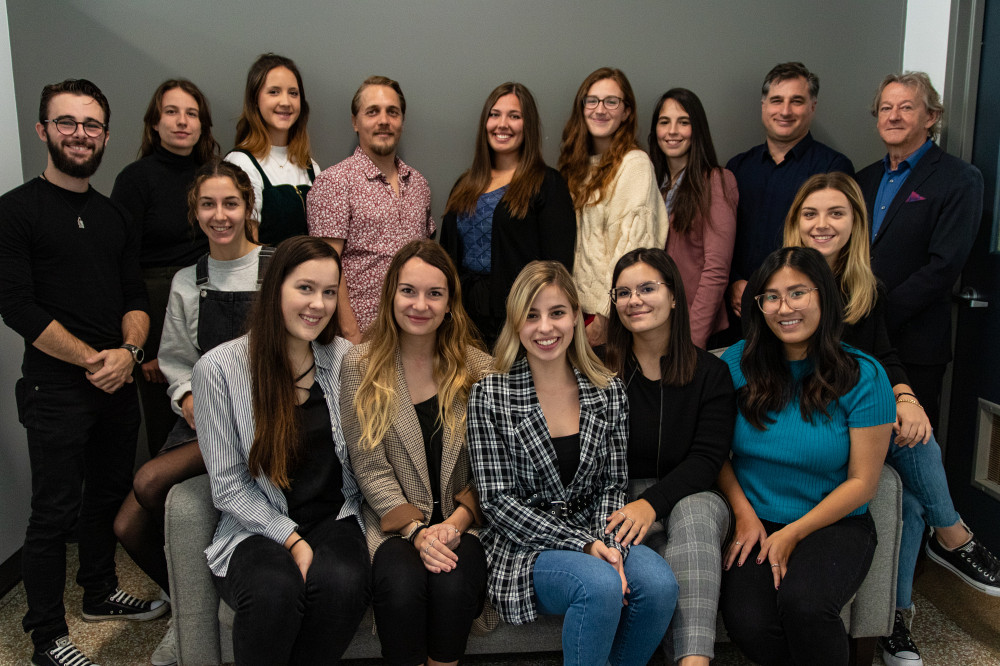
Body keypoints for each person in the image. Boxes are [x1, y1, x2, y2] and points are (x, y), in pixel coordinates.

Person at [783, 172, 1000, 666]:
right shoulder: (782, 279)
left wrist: (904, 396)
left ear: (855, 222)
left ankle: (895, 623)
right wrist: (888, 398)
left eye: (836, 213)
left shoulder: (864, 287)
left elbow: (881, 354)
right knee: (916, 447)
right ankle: (955, 540)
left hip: (857, 409)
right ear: (795, 223)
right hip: (807, 411)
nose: (822, 224)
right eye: (810, 214)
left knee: (908, 502)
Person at [0, 79, 165, 666]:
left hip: (116, 381)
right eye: (66, 122)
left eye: (91, 125)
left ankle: (98, 594)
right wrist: (93, 360)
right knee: (54, 511)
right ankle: (46, 635)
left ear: (106, 135)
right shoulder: (16, 210)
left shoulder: (113, 214)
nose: (79, 134)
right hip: (56, 387)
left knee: (107, 495)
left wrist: (128, 353)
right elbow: (15, 304)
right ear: (43, 129)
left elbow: (134, 296)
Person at [468, 260, 678, 665]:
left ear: (577, 319)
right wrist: (583, 545)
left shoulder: (607, 390)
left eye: (557, 313)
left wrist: (610, 546)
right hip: (524, 545)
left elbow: (614, 486)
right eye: (531, 316)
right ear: (515, 324)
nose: (545, 328)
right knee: (599, 585)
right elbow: (497, 503)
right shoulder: (491, 394)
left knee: (659, 585)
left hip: (598, 528)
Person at [113, 159, 269, 666]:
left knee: (151, 482)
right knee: (128, 526)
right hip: (200, 420)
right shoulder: (187, 280)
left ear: (248, 206)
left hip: (255, 423)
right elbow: (178, 362)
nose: (220, 215)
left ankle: (195, 620)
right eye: (208, 204)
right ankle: (189, 611)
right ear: (194, 212)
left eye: (230, 203)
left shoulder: (275, 267)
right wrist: (186, 399)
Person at [193, 236, 369, 665]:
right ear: (275, 289)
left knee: (343, 584)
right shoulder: (217, 369)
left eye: (329, 292)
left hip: (334, 516)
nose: (318, 304)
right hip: (256, 525)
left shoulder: (343, 357)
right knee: (274, 590)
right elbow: (229, 487)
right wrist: (292, 541)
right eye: (305, 288)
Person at [718, 246, 894, 665]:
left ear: (824, 297)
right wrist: (744, 514)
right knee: (748, 622)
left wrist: (794, 532)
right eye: (772, 297)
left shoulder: (864, 375)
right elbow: (714, 455)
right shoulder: (735, 364)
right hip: (756, 519)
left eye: (798, 293)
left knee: (806, 605)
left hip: (834, 522)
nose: (784, 307)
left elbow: (863, 483)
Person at [341, 239, 492, 665]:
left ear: (450, 304)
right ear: (391, 295)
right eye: (408, 291)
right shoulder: (361, 365)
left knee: (453, 584)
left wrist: (455, 524)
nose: (420, 304)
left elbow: (493, 466)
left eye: (434, 293)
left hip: (466, 522)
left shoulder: (478, 369)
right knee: (401, 589)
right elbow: (368, 465)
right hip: (396, 524)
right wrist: (417, 532)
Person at [603, 248, 736, 666]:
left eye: (647, 288)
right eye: (623, 293)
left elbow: (706, 459)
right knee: (669, 560)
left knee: (694, 517)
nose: (634, 300)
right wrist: (635, 505)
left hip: (690, 493)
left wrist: (652, 504)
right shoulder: (600, 371)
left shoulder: (711, 373)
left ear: (674, 295)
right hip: (618, 498)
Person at [856, 71, 984, 431]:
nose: (893, 116)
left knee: (910, 447)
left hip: (914, 345)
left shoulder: (959, 179)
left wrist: (876, 315)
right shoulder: (862, 179)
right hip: (857, 343)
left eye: (906, 107)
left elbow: (944, 266)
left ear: (931, 117)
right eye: (885, 108)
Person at [111, 78, 219, 458]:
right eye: (171, 112)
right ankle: (167, 511)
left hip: (212, 299)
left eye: (191, 114)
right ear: (154, 123)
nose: (182, 121)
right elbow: (123, 264)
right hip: (155, 306)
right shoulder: (135, 180)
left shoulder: (214, 177)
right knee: (167, 423)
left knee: (220, 416)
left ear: (203, 125)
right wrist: (150, 345)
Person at [441, 82, 577, 347]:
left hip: (518, 320)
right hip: (461, 320)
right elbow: (445, 256)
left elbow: (557, 269)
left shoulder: (547, 184)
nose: (502, 124)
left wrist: (541, 320)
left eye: (514, 116)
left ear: (528, 126)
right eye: (495, 114)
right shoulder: (464, 185)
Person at [308, 75, 434, 343]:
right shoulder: (334, 182)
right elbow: (326, 265)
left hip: (412, 332)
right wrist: (350, 331)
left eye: (393, 112)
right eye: (372, 112)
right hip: (361, 335)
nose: (384, 121)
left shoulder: (419, 184)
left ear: (402, 120)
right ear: (355, 121)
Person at [726, 62, 853, 326]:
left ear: (812, 107)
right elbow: (723, 237)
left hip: (800, 310)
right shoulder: (737, 168)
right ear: (764, 105)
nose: (785, 111)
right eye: (776, 101)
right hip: (741, 308)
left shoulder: (833, 168)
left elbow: (837, 248)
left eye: (796, 101)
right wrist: (734, 282)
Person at [557, 67, 668, 347]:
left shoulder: (634, 164)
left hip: (608, 315)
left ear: (626, 111)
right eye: (592, 100)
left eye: (611, 101)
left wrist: (607, 317)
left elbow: (632, 250)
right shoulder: (573, 169)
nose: (600, 109)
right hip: (573, 310)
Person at [647, 88, 738, 349]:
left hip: (697, 333)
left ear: (697, 129)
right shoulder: (652, 186)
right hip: (656, 326)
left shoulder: (717, 182)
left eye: (683, 122)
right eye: (664, 122)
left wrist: (691, 342)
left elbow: (716, 270)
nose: (672, 131)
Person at [225, 53, 320, 245]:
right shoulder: (240, 164)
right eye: (274, 92)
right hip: (267, 274)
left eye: (293, 93)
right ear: (255, 100)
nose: (285, 102)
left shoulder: (310, 167)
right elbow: (247, 248)